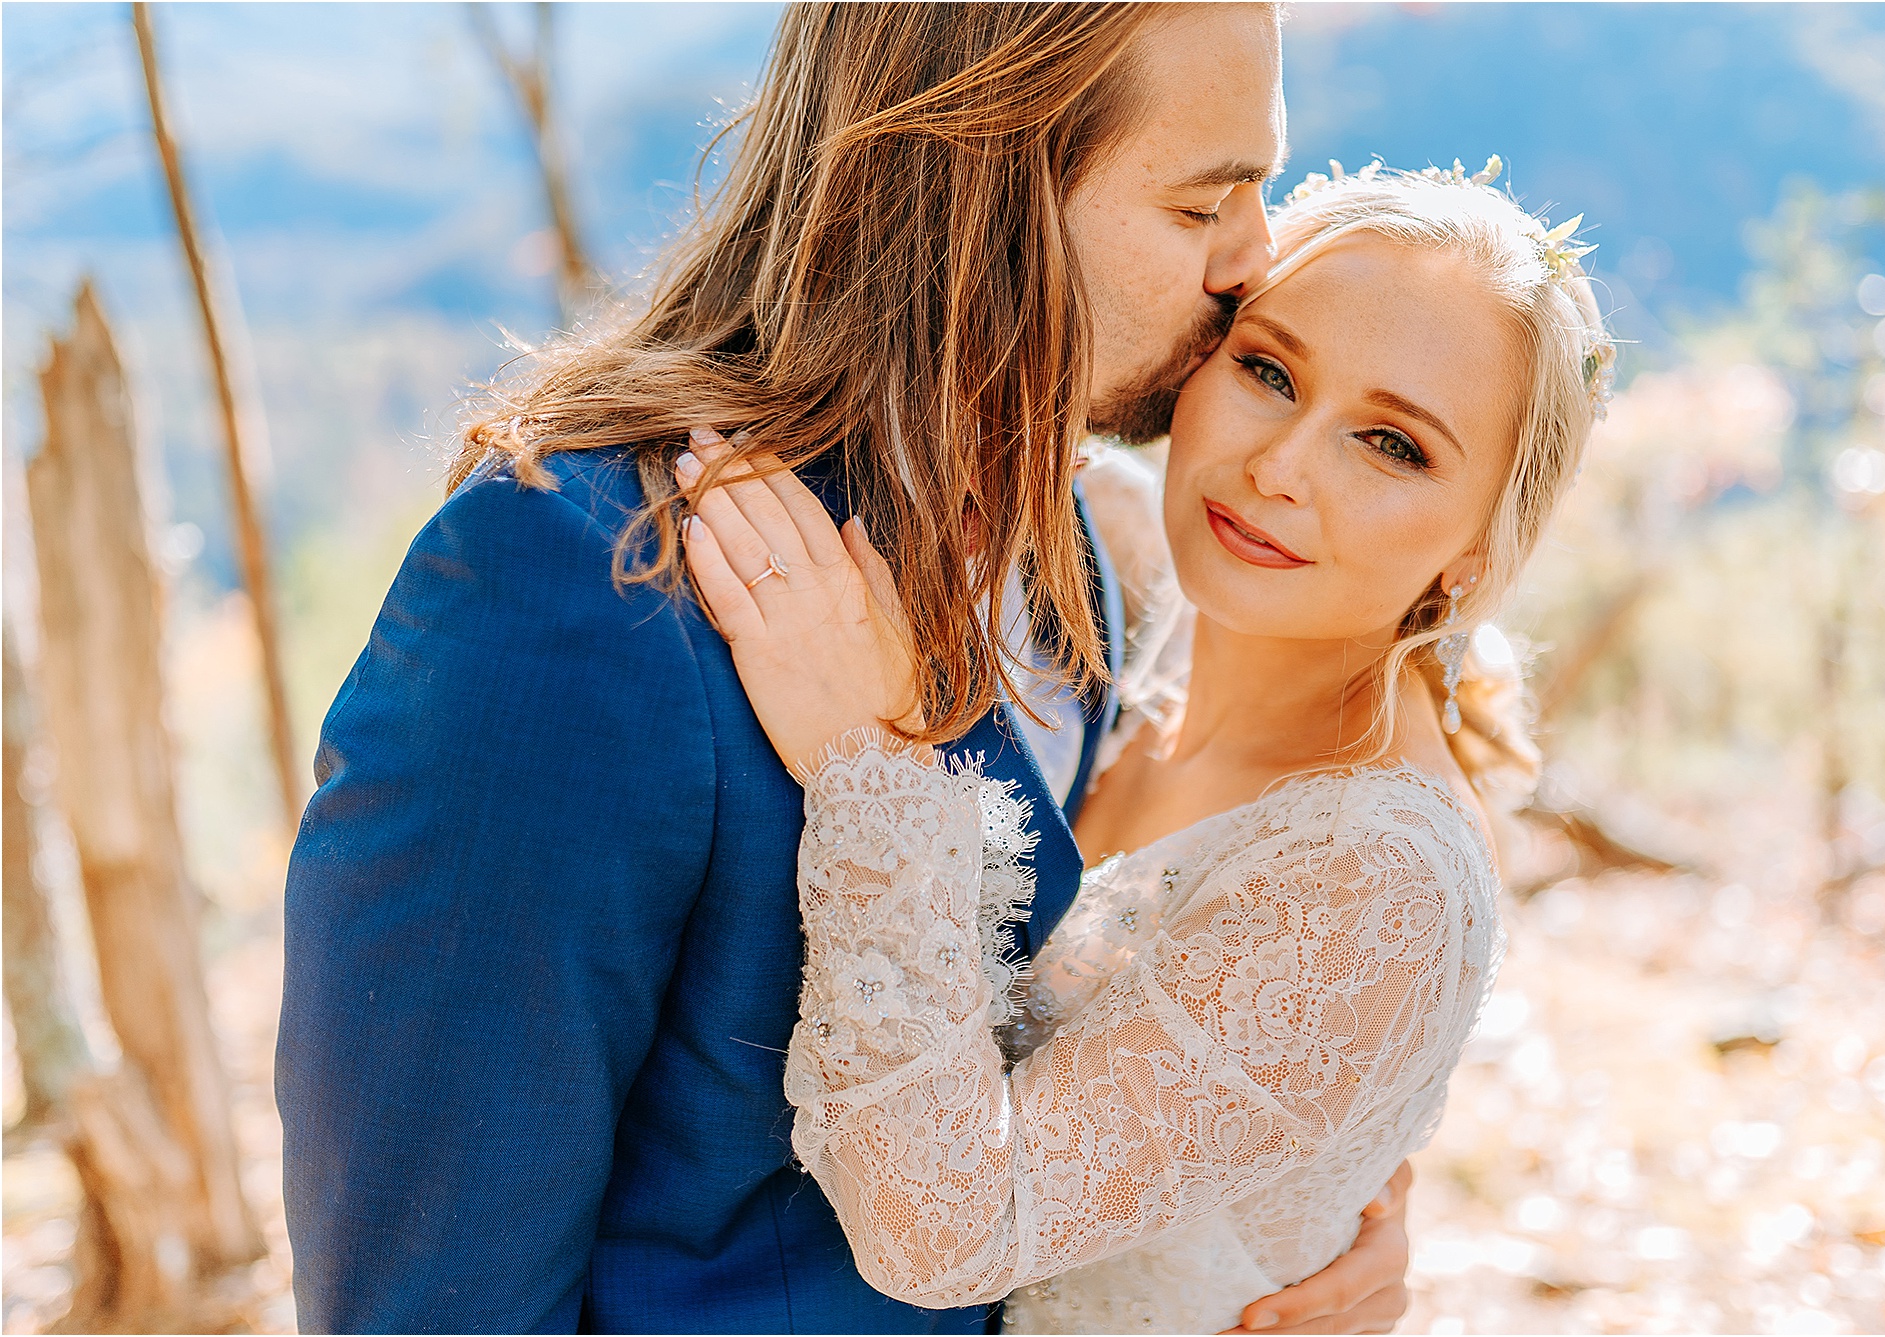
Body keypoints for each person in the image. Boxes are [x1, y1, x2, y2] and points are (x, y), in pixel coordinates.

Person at [276, 5, 1413, 1332]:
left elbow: (1040, 1091)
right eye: (1202, 203)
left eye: (1261, 184)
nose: (1254, 256)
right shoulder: (573, 587)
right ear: (987, 188)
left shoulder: (1081, 543)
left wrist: (1276, 1239)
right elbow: (428, 1293)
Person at [677, 161, 1615, 1334]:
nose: (1279, 469)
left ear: (1477, 549)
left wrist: (867, 763)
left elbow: (950, 1223)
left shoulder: (1379, 873)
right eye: (1268, 370)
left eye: (1390, 445)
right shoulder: (1118, 562)